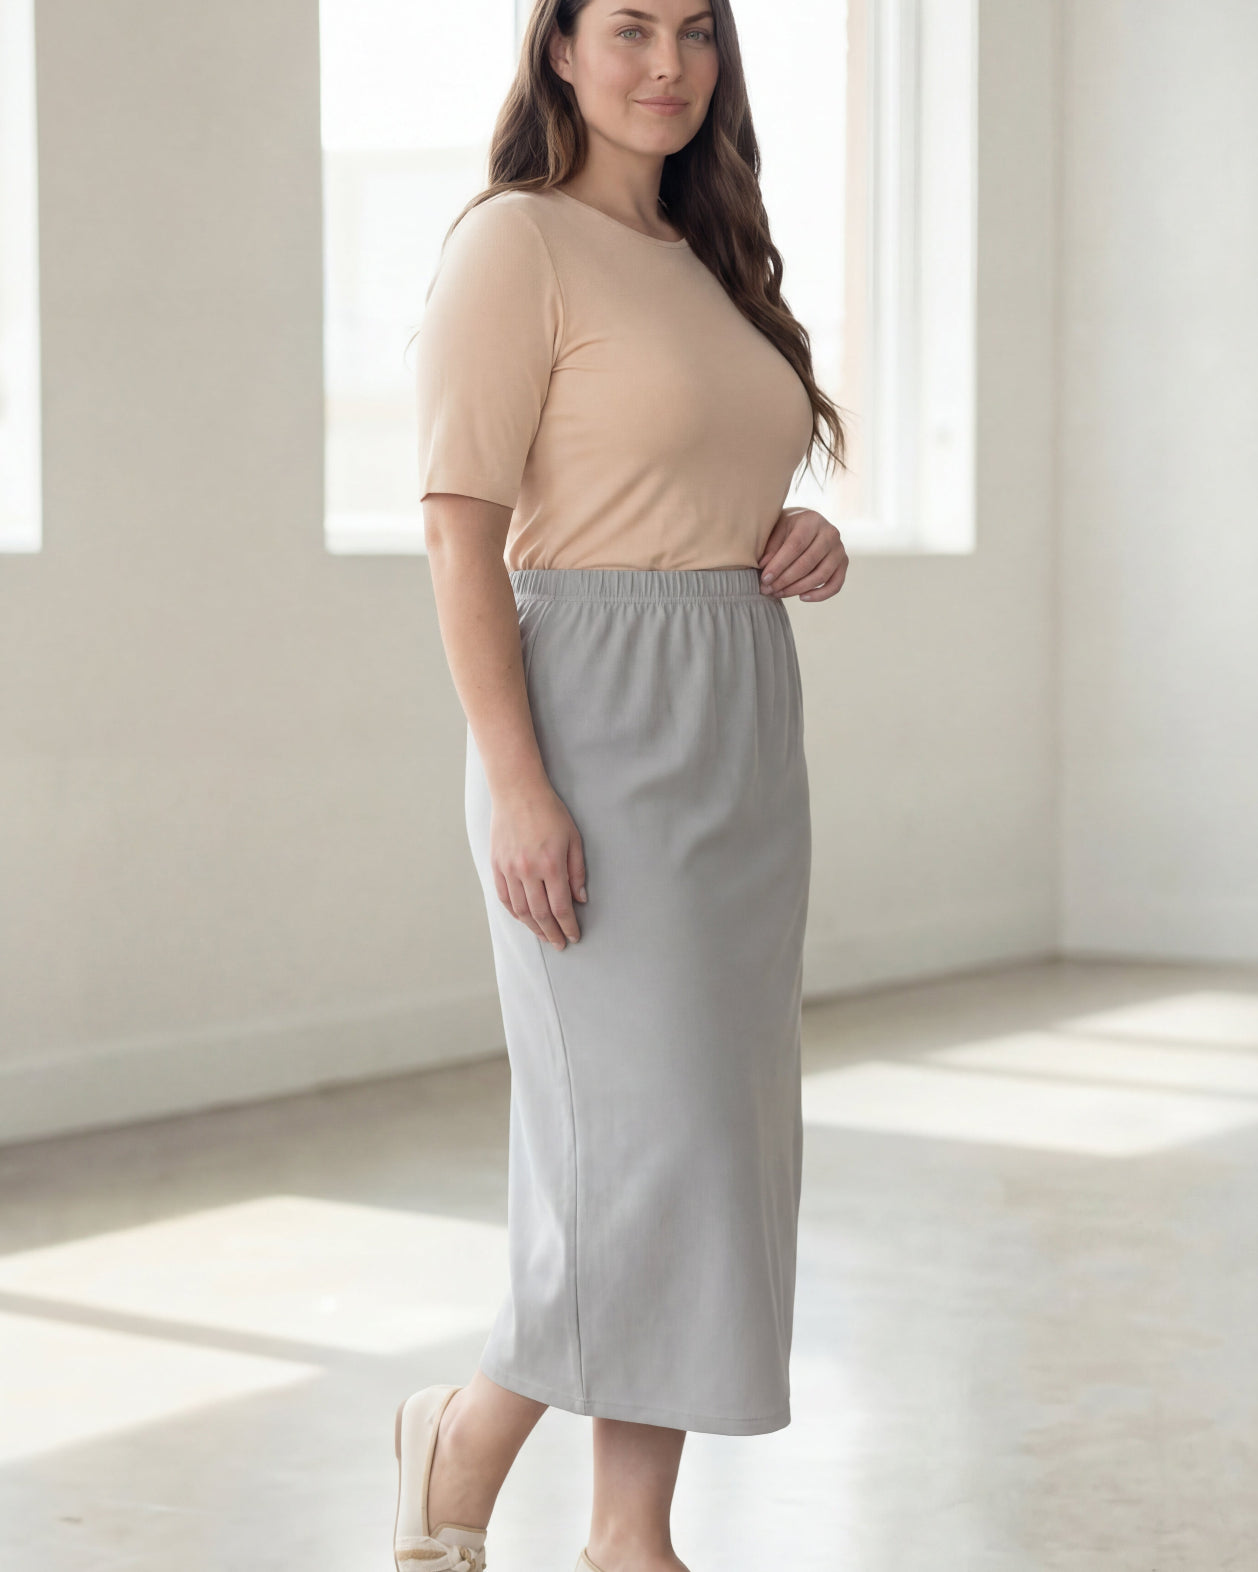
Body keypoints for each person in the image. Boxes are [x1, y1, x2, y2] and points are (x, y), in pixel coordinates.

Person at [394, 3, 849, 1569]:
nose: (668, 63)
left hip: (737, 720)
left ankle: (623, 1536)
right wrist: (518, 788)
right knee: (635, 1151)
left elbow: (719, 485)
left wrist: (800, 540)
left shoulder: (713, 263)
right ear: (561, 54)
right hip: (587, 719)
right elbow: (461, 529)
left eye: (698, 33)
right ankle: (464, 1436)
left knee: (704, 1146)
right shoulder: (512, 244)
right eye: (630, 29)